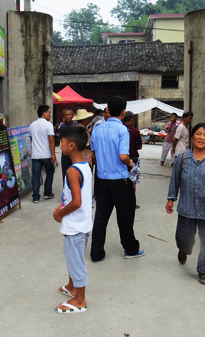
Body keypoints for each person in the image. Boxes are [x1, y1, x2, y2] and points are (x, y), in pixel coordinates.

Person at [165, 123, 205, 285]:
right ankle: (184, 249)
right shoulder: (183, 157)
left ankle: (203, 270)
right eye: (198, 134)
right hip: (187, 207)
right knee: (183, 238)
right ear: (192, 137)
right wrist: (171, 198)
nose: (201, 137)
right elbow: (175, 180)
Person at [91, 96, 144, 261]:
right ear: (123, 112)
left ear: (107, 110)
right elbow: (123, 156)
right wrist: (130, 163)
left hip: (101, 178)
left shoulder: (97, 129)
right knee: (125, 216)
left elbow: (93, 155)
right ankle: (130, 249)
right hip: (119, 180)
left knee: (101, 216)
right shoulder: (122, 130)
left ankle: (96, 252)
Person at [53, 126, 93, 314]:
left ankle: (80, 299)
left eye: (61, 142)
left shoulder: (71, 171)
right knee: (73, 258)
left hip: (75, 227)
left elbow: (76, 202)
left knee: (76, 263)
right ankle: (71, 286)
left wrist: (60, 214)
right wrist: (62, 207)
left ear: (71, 146)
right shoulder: (85, 165)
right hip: (83, 224)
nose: (59, 145)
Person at [29, 105, 57, 203]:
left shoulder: (32, 125)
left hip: (35, 156)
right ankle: (47, 192)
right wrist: (53, 154)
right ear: (44, 113)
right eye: (49, 112)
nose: (50, 114)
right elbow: (51, 140)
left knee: (36, 175)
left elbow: (31, 139)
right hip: (46, 155)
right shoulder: (48, 125)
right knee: (50, 172)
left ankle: (36, 197)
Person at [123, 111, 143, 209]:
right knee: (132, 181)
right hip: (133, 158)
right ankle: (131, 202)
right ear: (132, 120)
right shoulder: (135, 131)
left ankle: (121, 201)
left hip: (121, 159)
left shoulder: (120, 129)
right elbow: (139, 146)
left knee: (122, 181)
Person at [58, 109, 78, 181]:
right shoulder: (62, 127)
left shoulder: (76, 125)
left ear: (72, 116)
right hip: (65, 152)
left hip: (74, 152)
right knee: (65, 172)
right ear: (64, 116)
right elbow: (61, 138)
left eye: (69, 115)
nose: (68, 116)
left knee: (74, 172)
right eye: (66, 115)